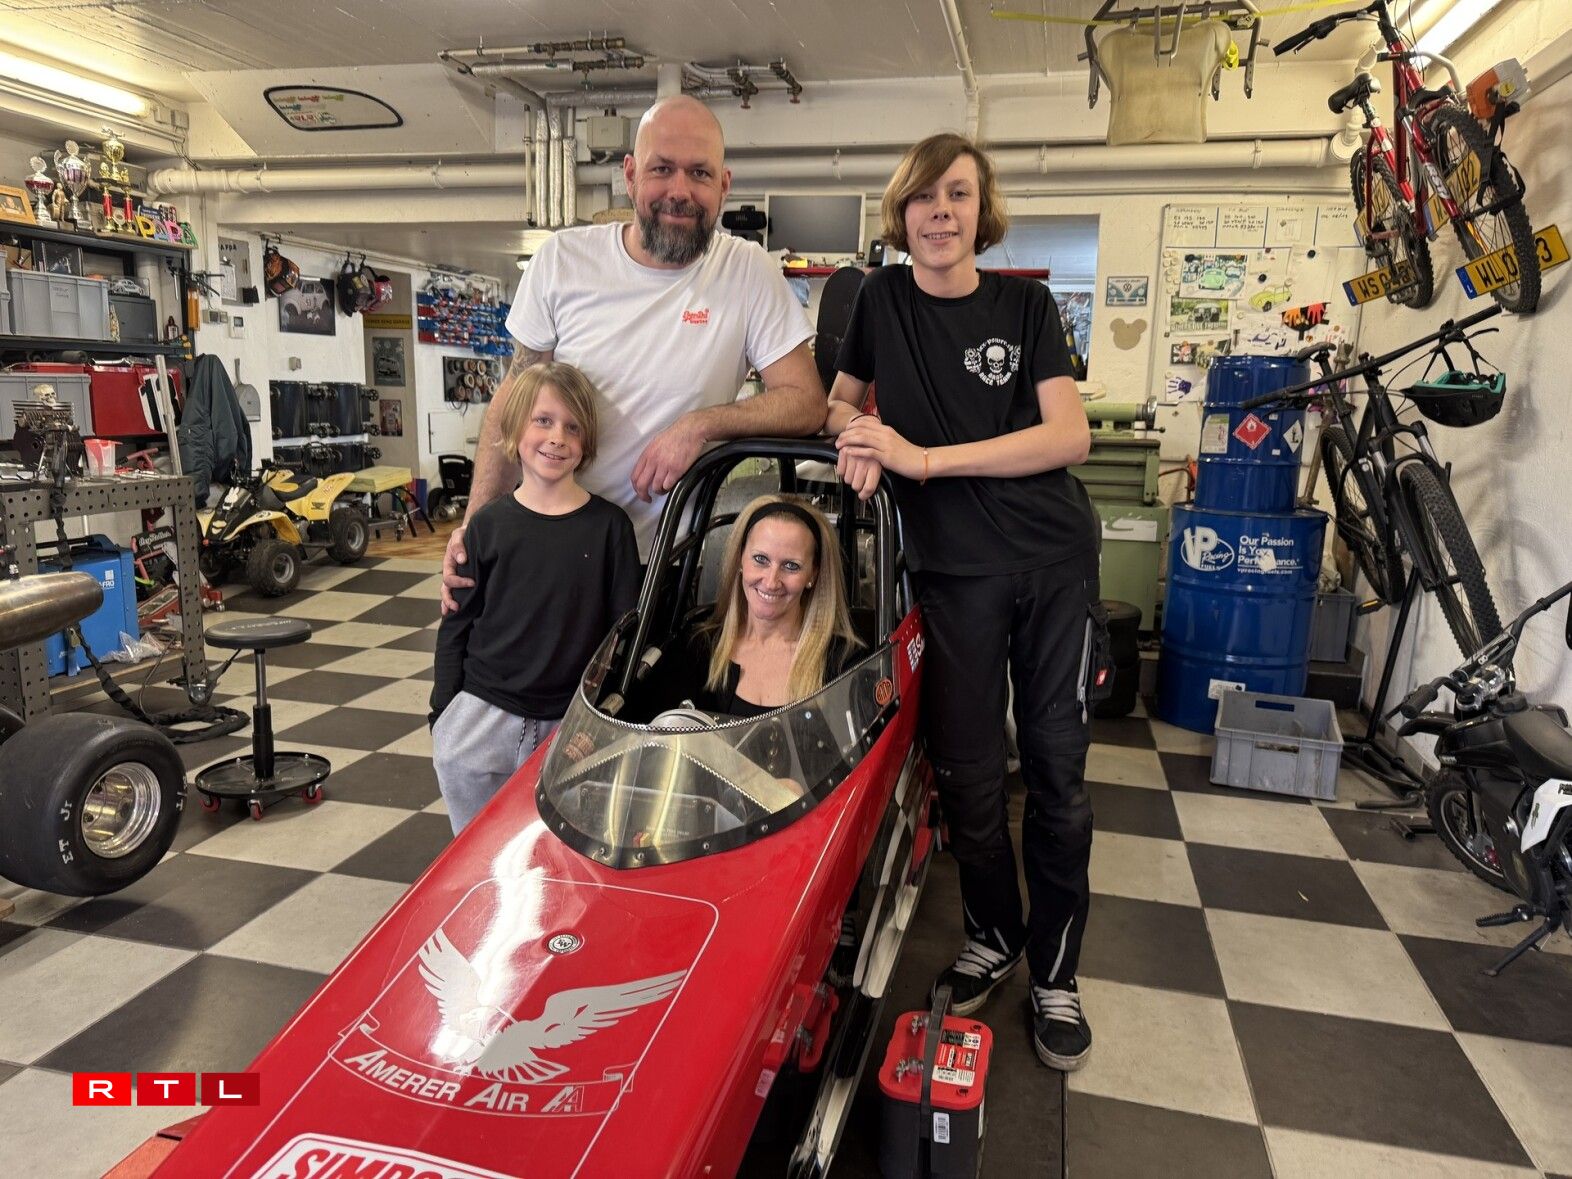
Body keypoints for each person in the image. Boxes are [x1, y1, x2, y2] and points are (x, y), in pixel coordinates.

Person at [825, 133, 1101, 1072]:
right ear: (901, 212)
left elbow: (1069, 437)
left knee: (1057, 773)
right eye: (923, 196)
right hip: (952, 573)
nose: (940, 211)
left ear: (983, 211)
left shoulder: (1026, 306)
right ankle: (994, 933)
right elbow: (839, 402)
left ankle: (1057, 972)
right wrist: (861, 436)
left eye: (958, 194)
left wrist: (923, 459)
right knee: (970, 773)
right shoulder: (879, 300)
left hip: (1053, 561)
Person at [442, 95, 826, 610]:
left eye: (699, 173)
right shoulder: (562, 261)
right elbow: (515, 398)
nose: (679, 191)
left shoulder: (747, 271)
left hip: (664, 563)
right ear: (630, 175)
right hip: (545, 545)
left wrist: (699, 426)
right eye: (661, 169)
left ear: (724, 185)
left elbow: (805, 400)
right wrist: (473, 526)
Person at [430, 362, 640, 834]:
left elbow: (622, 637)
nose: (557, 437)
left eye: (572, 427)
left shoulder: (610, 529)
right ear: (515, 428)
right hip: (482, 714)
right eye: (543, 420)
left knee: (560, 856)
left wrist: (606, 718)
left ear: (587, 441)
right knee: (479, 850)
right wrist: (443, 714)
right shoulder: (487, 525)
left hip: (572, 723)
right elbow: (456, 623)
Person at [658, 496, 861, 719]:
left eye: (791, 566)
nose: (771, 582)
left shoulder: (845, 665)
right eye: (760, 559)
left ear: (813, 574)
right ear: (740, 559)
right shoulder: (697, 649)